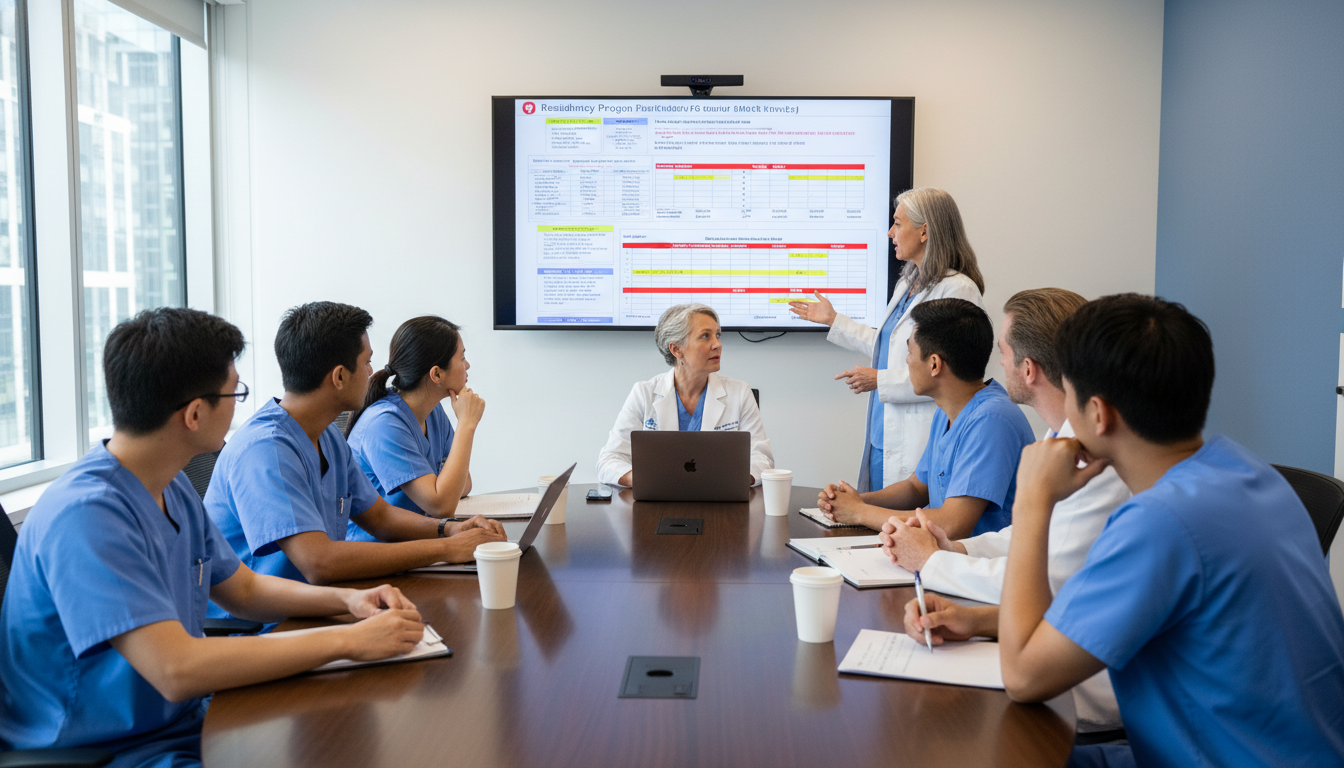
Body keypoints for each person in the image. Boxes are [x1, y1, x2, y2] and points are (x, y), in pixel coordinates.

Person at [0, 308, 426, 767]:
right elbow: (175, 668)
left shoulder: (170, 485)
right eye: (234, 393)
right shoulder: (85, 516)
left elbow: (244, 588)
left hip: (183, 720)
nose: (240, 406)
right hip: (105, 749)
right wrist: (349, 642)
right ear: (196, 413)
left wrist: (347, 605)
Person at [992, 294, 1344, 767]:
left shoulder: (1160, 523)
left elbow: (1024, 677)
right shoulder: (1250, 475)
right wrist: (977, 620)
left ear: (1098, 413)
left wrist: (1033, 498)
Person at [885, 288, 1130, 736]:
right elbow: (1028, 537)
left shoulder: (1099, 459)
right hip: (1052, 669)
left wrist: (933, 561)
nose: (998, 364)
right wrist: (954, 548)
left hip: (1082, 708)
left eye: (1004, 352)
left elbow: (1043, 582)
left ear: (1029, 369)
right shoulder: (1060, 439)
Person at [206, 302, 505, 604]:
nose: (373, 372)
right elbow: (318, 562)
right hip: (264, 624)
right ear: (339, 377)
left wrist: (450, 530)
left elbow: (380, 516)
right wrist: (447, 548)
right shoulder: (265, 450)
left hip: (318, 601)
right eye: (366, 363)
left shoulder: (327, 436)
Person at [789, 187, 985, 492]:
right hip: (883, 435)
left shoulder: (958, 289)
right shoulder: (908, 284)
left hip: (917, 435)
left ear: (925, 231)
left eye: (898, 223)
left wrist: (880, 380)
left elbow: (951, 374)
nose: (891, 232)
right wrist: (833, 320)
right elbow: (890, 346)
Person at [816, 298, 1033, 538]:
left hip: (987, 566)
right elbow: (916, 488)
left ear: (934, 364)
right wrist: (855, 501)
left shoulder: (991, 420)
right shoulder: (948, 411)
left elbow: (952, 524)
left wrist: (859, 513)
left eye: (909, 352)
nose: (907, 361)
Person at [597, 303, 773, 487]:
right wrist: (646, 480)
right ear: (676, 350)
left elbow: (762, 459)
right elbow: (609, 460)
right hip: (658, 501)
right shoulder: (644, 393)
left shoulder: (740, 393)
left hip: (721, 502)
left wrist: (729, 480)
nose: (717, 344)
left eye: (717, 335)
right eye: (705, 336)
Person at [343, 316, 481, 542]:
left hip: (416, 543)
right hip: (376, 555)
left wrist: (441, 490)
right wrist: (467, 424)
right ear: (436, 374)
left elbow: (463, 485)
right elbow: (442, 506)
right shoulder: (384, 424)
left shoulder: (433, 413)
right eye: (462, 357)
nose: (467, 365)